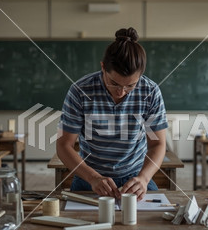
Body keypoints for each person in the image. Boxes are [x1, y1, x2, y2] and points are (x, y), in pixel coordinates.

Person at [56, 27, 168, 201]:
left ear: (140, 76)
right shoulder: (80, 91)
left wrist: (144, 178)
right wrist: (93, 177)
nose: (121, 92)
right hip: (90, 177)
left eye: (130, 86)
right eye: (114, 83)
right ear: (103, 67)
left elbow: (157, 144)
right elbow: (64, 145)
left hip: (135, 177)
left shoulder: (150, 91)